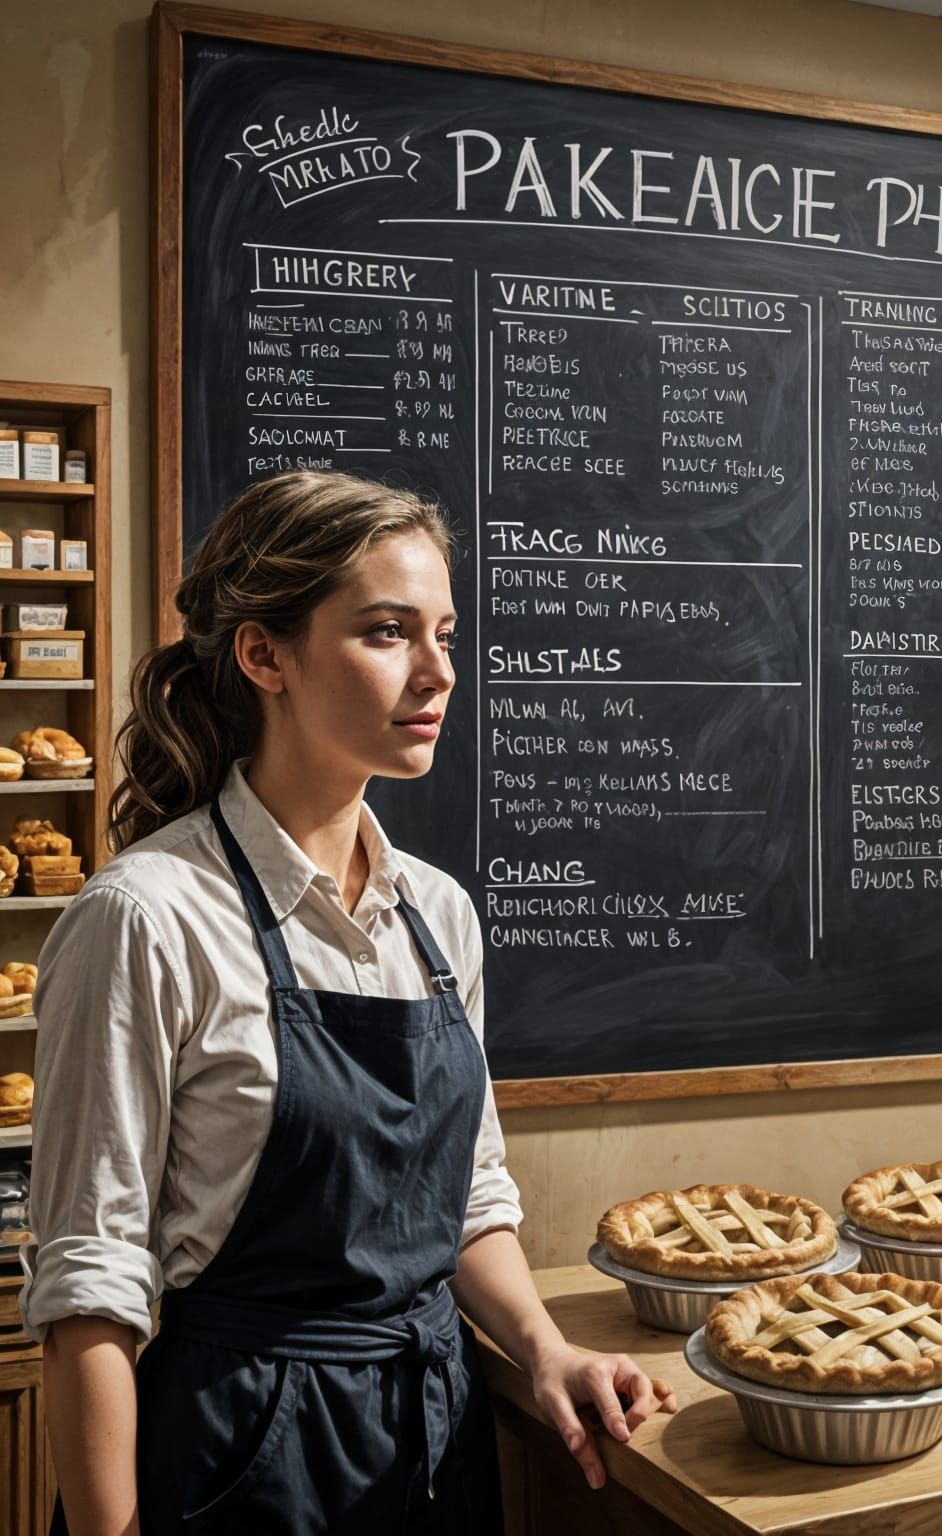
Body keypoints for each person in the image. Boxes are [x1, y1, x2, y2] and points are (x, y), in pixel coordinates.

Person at [20, 471, 676, 1534]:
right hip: (234, 1459)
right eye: (386, 633)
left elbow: (464, 1196)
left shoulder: (440, 916)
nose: (438, 673)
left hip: (428, 1444)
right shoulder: (144, 917)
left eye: (445, 634)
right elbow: (91, 1291)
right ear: (264, 655)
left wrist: (545, 1346)